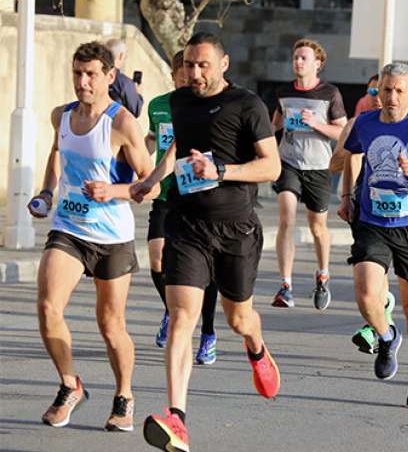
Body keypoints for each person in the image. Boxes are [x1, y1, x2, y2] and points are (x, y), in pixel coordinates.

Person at [132, 32, 281, 451]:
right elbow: (177, 145)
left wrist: (221, 172)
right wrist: (151, 180)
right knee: (182, 317)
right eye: (189, 66)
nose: (194, 74)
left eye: (203, 66)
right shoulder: (180, 102)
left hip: (235, 228)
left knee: (239, 319)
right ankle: (177, 417)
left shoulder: (247, 104)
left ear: (223, 64)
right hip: (188, 224)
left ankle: (256, 347)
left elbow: (270, 167)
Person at [28, 41, 153, 430]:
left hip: (112, 236)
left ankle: (124, 395)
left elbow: (151, 184)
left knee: (111, 326)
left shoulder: (121, 124)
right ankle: (70, 385)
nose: (83, 82)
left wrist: (112, 191)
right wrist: (48, 190)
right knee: (49, 309)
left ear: (109, 77)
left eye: (91, 75)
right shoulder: (61, 116)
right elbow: (56, 153)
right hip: (68, 227)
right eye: (77, 74)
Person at [339, 62, 408, 409]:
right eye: (384, 90)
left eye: (398, 91)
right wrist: (346, 196)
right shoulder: (365, 123)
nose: (390, 97)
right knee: (365, 293)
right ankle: (387, 336)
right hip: (372, 220)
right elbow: (351, 156)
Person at [145, 51, 219, 365]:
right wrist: (134, 157)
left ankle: (208, 333)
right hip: (166, 193)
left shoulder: (209, 107)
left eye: (195, 70)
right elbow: (153, 139)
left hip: (200, 195)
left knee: (208, 269)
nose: (189, 78)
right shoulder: (159, 105)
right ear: (175, 75)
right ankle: (170, 308)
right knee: (156, 255)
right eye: (183, 72)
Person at [270, 39, 348, 310]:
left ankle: (323, 274)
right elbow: (274, 125)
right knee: (286, 218)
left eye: (304, 58)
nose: (298, 62)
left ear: (318, 63)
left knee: (317, 228)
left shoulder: (330, 93)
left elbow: (342, 131)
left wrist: (316, 124)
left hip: (318, 166)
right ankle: (286, 285)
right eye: (295, 57)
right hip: (288, 162)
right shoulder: (282, 92)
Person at [106, 38, 144, 118]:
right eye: (125, 56)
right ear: (121, 56)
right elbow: (135, 110)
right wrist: (139, 94)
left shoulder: (98, 76)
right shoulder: (124, 82)